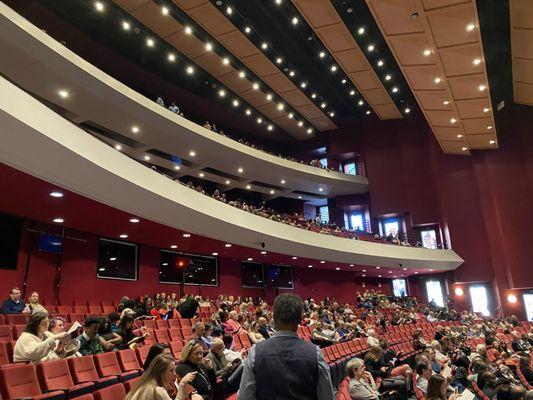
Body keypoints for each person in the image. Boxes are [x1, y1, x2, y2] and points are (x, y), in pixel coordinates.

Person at [239, 293, 335, 400]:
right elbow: (327, 396)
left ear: (274, 318)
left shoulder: (255, 352)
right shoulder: (315, 353)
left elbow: (245, 397)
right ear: (300, 319)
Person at [126, 354, 201, 400]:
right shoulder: (158, 390)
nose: (175, 373)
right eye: (171, 370)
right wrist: (182, 384)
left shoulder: (145, 383)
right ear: (161, 372)